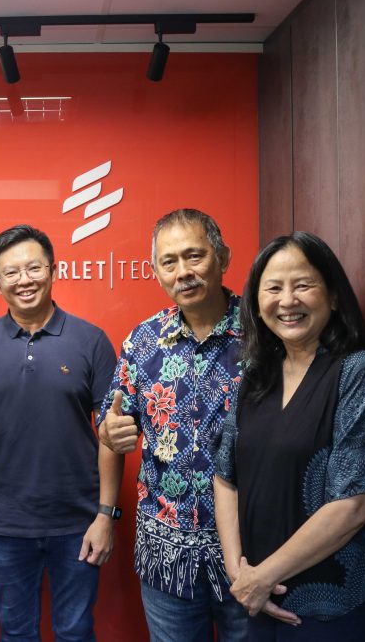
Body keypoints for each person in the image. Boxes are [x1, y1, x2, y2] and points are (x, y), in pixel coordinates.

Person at [214, 231, 365, 641]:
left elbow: (357, 503)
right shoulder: (257, 375)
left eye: (303, 285)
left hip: (333, 608)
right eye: (273, 288)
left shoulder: (357, 372)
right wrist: (240, 575)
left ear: (333, 296)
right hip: (257, 599)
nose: (287, 301)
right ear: (257, 303)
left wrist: (263, 577)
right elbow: (225, 475)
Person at [0, 224, 120, 642]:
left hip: (78, 520)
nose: (24, 280)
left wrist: (106, 515)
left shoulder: (90, 340)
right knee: (16, 632)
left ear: (53, 270)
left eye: (34, 268)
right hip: (6, 522)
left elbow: (111, 437)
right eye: (11, 272)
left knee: (76, 631)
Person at [97, 208, 249, 642]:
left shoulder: (265, 335)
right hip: (167, 556)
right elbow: (111, 425)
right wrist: (110, 433)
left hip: (252, 552)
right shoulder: (142, 341)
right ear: (156, 273)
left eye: (194, 256)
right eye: (169, 262)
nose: (183, 272)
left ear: (223, 257)